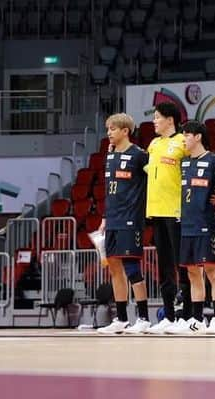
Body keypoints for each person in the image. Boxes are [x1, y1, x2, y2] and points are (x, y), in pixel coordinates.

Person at [96, 113, 152, 334]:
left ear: (125, 131)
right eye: (108, 128)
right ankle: (120, 318)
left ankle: (144, 318)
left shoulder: (140, 156)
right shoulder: (109, 156)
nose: (108, 132)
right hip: (113, 219)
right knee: (114, 269)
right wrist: (104, 217)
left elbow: (155, 181)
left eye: (112, 128)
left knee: (132, 269)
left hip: (131, 219)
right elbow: (111, 191)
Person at [170, 121, 215, 334]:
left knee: (212, 271)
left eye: (187, 135)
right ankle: (197, 318)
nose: (184, 139)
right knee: (192, 272)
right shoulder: (183, 163)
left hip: (205, 224)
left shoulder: (214, 160)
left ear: (198, 136)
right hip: (187, 224)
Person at [143, 102, 189, 334]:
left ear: (170, 120)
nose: (154, 121)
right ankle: (169, 314)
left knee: (182, 263)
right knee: (164, 266)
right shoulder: (153, 144)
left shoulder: (183, 142)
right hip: (157, 212)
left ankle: (188, 314)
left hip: (177, 211)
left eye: (158, 117)